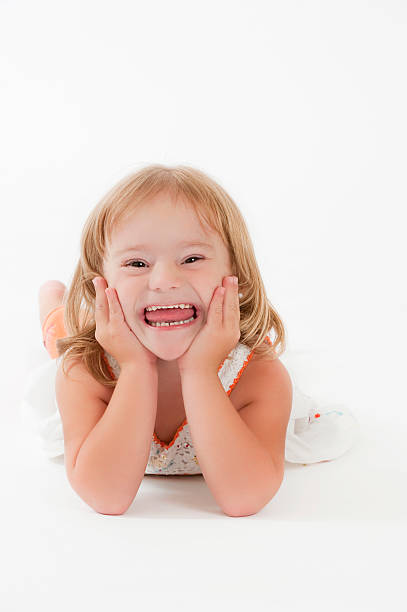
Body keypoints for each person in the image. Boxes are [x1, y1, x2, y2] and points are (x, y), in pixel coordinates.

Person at [21, 164, 360, 516]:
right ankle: (53, 301)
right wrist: (136, 368)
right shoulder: (84, 370)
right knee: (61, 333)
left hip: (215, 346)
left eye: (192, 258)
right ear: (102, 285)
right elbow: (106, 497)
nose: (165, 280)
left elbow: (245, 498)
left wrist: (199, 371)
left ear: (236, 276)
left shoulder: (259, 375)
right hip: (98, 336)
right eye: (136, 263)